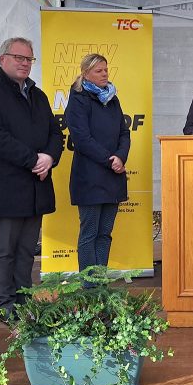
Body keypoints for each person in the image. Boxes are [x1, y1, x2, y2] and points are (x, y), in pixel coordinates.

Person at [0, 37, 63, 325]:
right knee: (5, 249)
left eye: (29, 59)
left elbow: (55, 134)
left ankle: (24, 297)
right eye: (18, 57)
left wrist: (49, 157)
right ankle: (6, 302)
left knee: (26, 250)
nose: (24, 63)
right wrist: (33, 159)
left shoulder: (39, 96)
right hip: (6, 187)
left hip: (36, 186)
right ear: (3, 59)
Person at [64, 53, 130, 273]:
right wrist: (109, 160)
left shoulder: (112, 98)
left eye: (106, 70)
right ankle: (88, 285)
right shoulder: (78, 99)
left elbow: (124, 132)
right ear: (86, 74)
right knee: (89, 233)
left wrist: (121, 156)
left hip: (113, 177)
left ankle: (100, 281)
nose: (104, 74)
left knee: (105, 233)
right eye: (98, 71)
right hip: (89, 178)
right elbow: (81, 139)